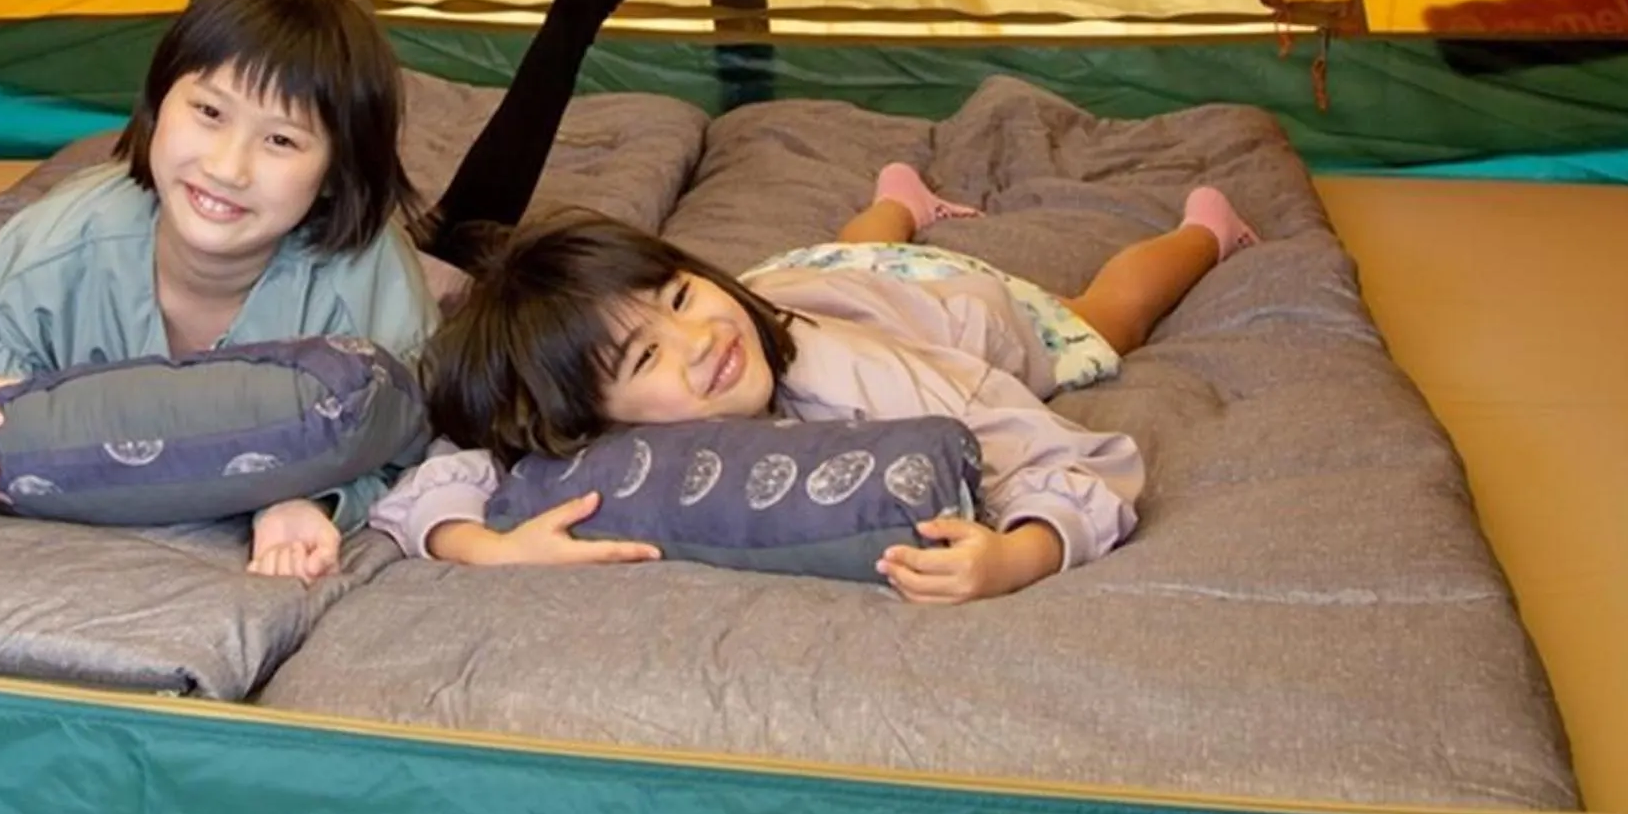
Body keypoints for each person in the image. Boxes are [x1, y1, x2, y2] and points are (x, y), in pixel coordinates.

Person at [0, 0, 681, 582]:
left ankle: (572, 13)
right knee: (236, 174)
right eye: (208, 113)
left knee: (477, 234)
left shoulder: (368, 287)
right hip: (310, 227)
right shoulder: (60, 246)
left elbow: (414, 445)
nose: (228, 165)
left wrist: (306, 495)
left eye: (284, 139)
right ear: (158, 106)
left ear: (334, 171)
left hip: (424, 282)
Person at [372, 172, 1258, 603]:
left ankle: (1207, 229)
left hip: (927, 309)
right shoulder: (600, 407)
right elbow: (450, 474)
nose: (700, 338)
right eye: (646, 358)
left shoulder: (874, 380)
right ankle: (898, 196)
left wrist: (1018, 555)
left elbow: (1072, 461)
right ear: (583, 420)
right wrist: (486, 548)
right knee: (850, 250)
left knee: (1100, 320)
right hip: (802, 276)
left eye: (681, 293)